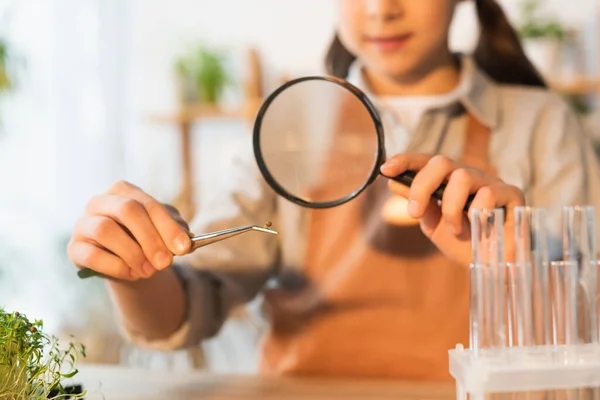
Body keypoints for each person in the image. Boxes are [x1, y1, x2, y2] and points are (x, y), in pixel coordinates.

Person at [67, 0, 600, 380]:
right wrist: (135, 272)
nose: (379, 8)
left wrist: (521, 263)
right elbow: (193, 303)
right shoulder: (289, 126)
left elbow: (587, 329)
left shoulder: (543, 124)